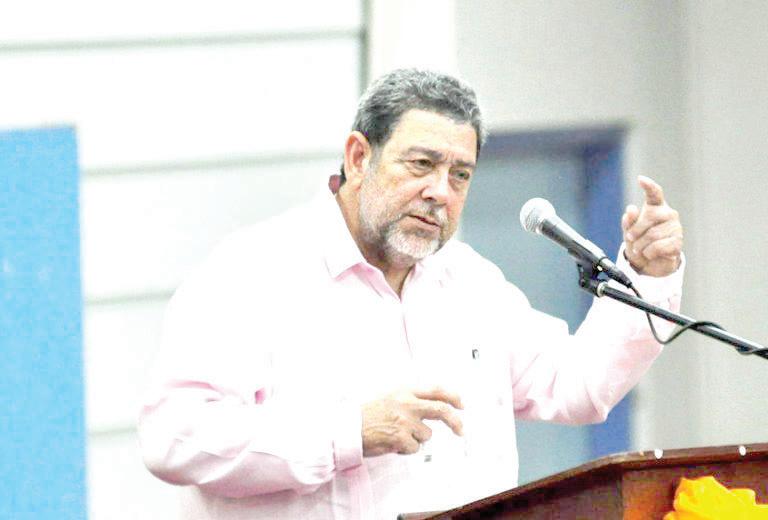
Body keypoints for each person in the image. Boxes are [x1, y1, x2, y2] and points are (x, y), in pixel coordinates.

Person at [138, 69, 684, 519]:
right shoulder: (252, 273)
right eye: (422, 164)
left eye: (460, 175)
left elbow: (577, 385)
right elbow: (176, 437)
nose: (439, 192)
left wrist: (648, 274)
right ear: (359, 157)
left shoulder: (471, 282)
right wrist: (349, 432)